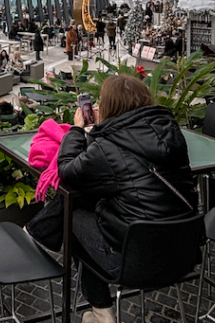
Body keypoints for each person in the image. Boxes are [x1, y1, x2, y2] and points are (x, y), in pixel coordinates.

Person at [57, 75, 196, 323]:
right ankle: (35, 233)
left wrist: (78, 130)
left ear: (108, 106)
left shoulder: (107, 146)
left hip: (135, 263)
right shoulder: (171, 133)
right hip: (183, 253)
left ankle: (101, 311)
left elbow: (67, 171)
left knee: (73, 214)